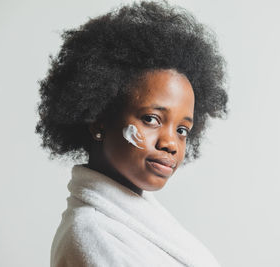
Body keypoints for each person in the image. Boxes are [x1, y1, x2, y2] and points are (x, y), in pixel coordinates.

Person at [35, 1, 228, 266]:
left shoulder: (139, 219)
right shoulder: (93, 236)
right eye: (151, 119)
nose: (171, 143)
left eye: (182, 130)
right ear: (98, 121)